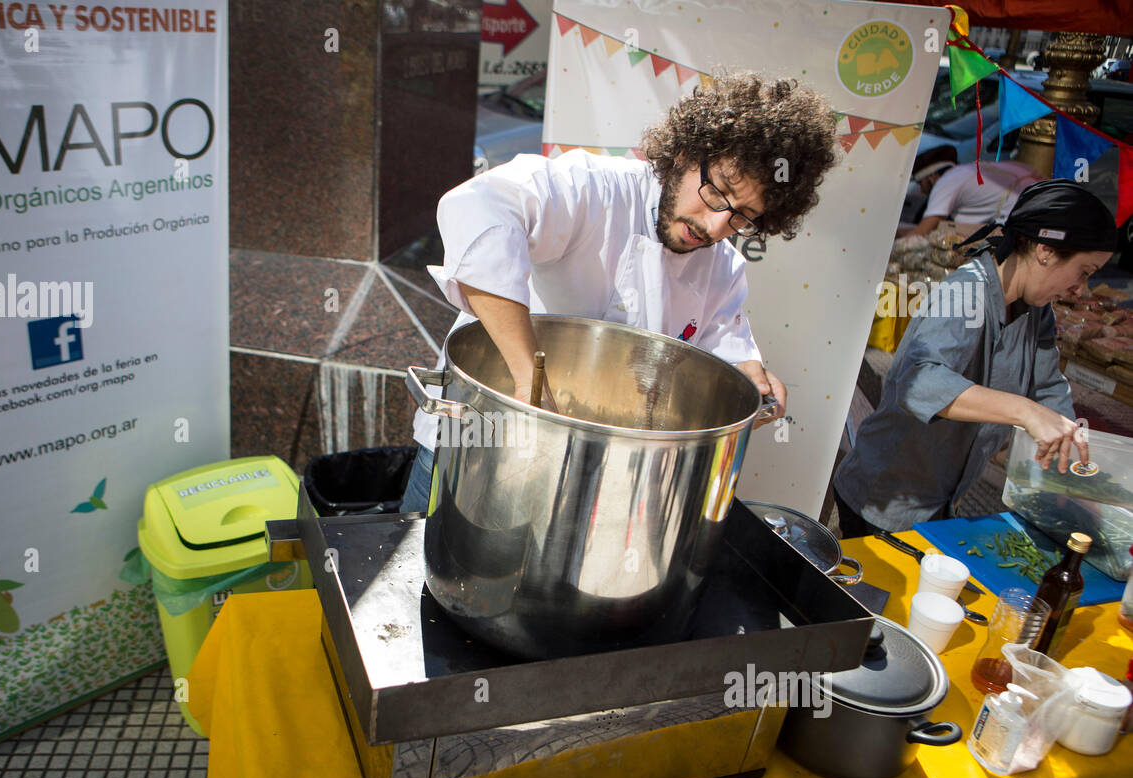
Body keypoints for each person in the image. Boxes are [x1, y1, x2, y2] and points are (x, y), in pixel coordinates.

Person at [400, 72, 839, 511]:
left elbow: (726, 352)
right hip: (477, 447)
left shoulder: (722, 268)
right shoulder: (594, 189)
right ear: (686, 154)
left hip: (597, 485)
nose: (714, 226)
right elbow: (478, 206)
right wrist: (527, 379)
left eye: (743, 217)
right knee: (426, 567)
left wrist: (750, 380)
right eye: (715, 193)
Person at [833, 179, 1119, 536]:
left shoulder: (1037, 311)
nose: (1081, 289)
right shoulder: (967, 292)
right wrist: (1026, 412)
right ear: (1045, 250)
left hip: (943, 500)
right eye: (1084, 273)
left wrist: (1077, 475)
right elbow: (920, 383)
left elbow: (1047, 389)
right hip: (886, 499)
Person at [898, 158, 1041, 238]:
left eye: (920, 183)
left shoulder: (947, 181)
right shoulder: (962, 172)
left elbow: (922, 231)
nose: (921, 191)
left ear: (932, 177)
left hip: (1026, 214)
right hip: (1037, 201)